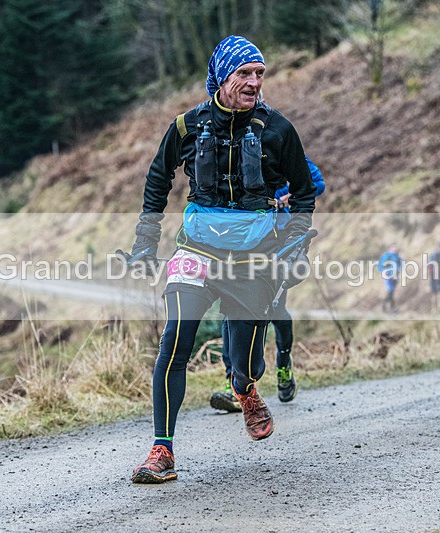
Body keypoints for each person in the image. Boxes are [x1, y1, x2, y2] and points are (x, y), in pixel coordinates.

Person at [129, 35, 316, 484]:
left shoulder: (278, 130)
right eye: (245, 74)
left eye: (260, 74)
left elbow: (304, 192)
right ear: (222, 77)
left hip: (254, 256)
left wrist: (294, 245)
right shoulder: (187, 126)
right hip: (196, 248)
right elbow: (157, 182)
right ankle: (162, 451)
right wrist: (145, 243)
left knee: (246, 361)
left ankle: (244, 388)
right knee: (175, 341)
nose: (254, 82)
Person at [210, 156, 325, 412]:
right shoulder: (234, 150)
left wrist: (286, 199)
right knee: (232, 308)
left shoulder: (286, 148)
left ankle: (283, 364)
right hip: (242, 240)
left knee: (272, 308)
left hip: (280, 239)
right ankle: (235, 383)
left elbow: (317, 183)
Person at [378, 244, 402, 314]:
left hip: (395, 276)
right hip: (388, 276)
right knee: (390, 291)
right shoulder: (386, 256)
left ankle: (384, 304)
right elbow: (381, 265)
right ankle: (392, 308)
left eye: (396, 248)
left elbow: (401, 265)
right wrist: (385, 273)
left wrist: (399, 271)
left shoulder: (398, 256)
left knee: (392, 292)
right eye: (393, 248)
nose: (395, 249)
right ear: (390, 249)